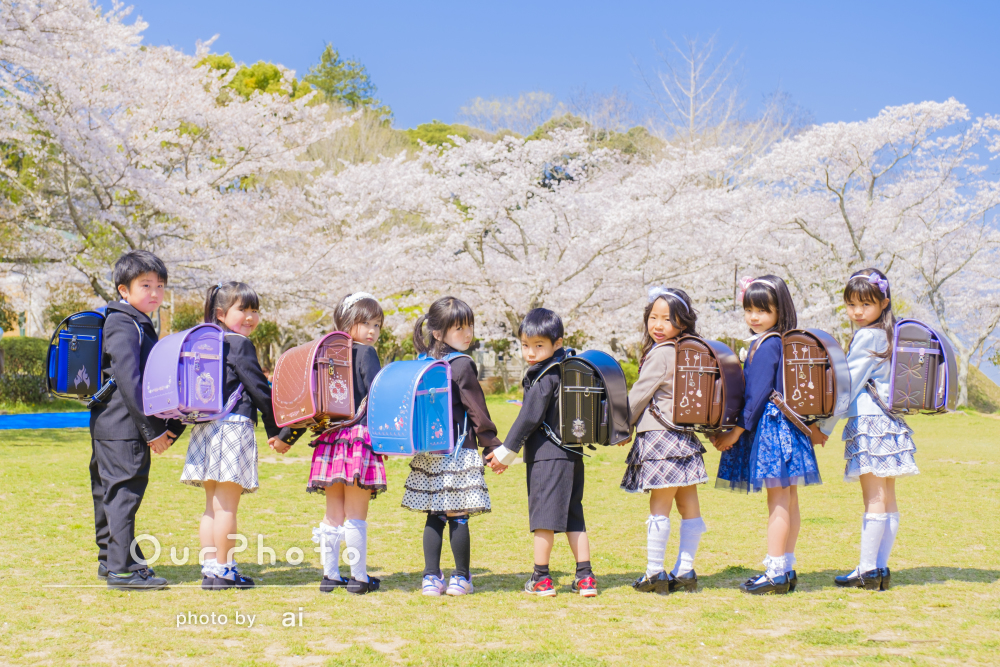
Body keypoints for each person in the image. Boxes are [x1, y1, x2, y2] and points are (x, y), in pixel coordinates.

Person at [181, 281, 303, 590]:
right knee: (227, 507)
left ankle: (211, 567)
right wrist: (279, 431)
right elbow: (259, 390)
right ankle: (225, 569)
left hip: (206, 428)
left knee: (211, 505)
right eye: (242, 310)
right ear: (221, 313)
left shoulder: (208, 342)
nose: (249, 317)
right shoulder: (240, 344)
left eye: (254, 310)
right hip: (233, 428)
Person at [712, 276, 824, 595]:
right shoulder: (778, 341)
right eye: (749, 309)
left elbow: (756, 395)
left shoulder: (767, 344)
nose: (754, 317)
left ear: (779, 311)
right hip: (788, 427)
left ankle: (775, 569)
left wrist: (735, 432)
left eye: (763, 310)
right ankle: (785, 567)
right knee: (788, 499)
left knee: (778, 500)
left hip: (774, 429)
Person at [487, 308, 596, 598]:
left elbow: (528, 417)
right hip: (573, 453)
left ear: (556, 344)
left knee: (543, 519)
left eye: (539, 345)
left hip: (548, 456)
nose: (531, 352)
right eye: (525, 345)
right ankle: (585, 578)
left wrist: (504, 453)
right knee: (575, 515)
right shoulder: (569, 367)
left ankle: (541, 578)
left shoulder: (545, 375)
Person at [90, 250, 183, 591]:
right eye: (146, 285)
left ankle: (110, 560)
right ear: (123, 290)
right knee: (123, 494)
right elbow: (131, 381)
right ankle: (122, 570)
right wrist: (153, 430)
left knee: (109, 492)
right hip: (123, 427)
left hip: (111, 425)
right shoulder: (122, 322)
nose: (155, 292)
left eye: (160, 285)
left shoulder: (132, 320)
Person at [820, 269, 918, 591]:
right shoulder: (891, 334)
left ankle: (867, 570)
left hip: (870, 422)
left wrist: (824, 426)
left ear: (883, 303)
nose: (857, 311)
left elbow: (847, 384)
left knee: (873, 497)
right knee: (887, 497)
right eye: (851, 304)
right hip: (890, 421)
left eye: (865, 303)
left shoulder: (867, 336)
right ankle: (879, 568)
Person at [402, 297, 501, 597]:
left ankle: (430, 578)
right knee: (458, 515)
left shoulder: (425, 364)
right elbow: (477, 410)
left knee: (435, 514)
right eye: (458, 328)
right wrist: (491, 444)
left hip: (431, 452)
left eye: (469, 326)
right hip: (459, 450)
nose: (467, 334)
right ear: (438, 333)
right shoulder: (462, 365)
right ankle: (460, 578)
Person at [622, 287, 708, 595]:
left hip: (660, 438)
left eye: (667, 319)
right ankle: (685, 570)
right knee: (688, 503)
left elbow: (638, 395)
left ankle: (654, 572)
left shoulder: (660, 353)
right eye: (653, 317)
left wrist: (620, 427)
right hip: (685, 437)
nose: (657, 325)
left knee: (659, 504)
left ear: (682, 322)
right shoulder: (690, 349)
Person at [305, 292, 387, 595]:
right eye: (365, 323)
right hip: (358, 439)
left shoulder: (326, 354)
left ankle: (330, 576)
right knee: (355, 512)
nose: (372, 331)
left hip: (330, 439)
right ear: (347, 321)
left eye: (377, 325)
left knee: (333, 513)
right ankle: (359, 577)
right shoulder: (366, 353)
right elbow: (376, 398)